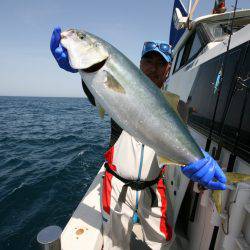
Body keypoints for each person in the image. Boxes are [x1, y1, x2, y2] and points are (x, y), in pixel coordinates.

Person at [50, 27, 227, 249]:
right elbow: (99, 89)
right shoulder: (116, 94)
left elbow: (183, 143)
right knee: (114, 243)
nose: (153, 68)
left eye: (160, 63)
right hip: (116, 186)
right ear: (139, 64)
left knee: (163, 242)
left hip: (153, 189)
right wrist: (82, 72)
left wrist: (200, 161)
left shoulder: (179, 107)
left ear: (168, 69)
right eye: (148, 61)